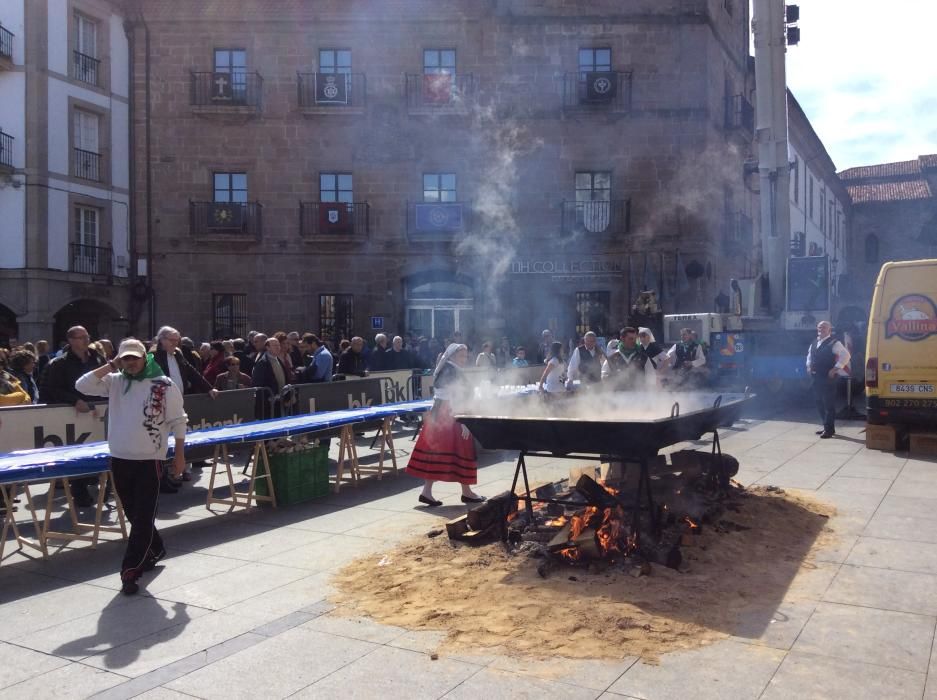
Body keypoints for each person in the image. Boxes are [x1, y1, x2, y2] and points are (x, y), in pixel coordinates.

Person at [75, 338, 187, 595]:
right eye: (126, 358)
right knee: (134, 514)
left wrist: (179, 454)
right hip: (121, 457)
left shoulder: (163, 385)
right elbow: (82, 385)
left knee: (144, 516)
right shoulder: (115, 381)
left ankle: (130, 570)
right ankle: (155, 548)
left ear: (144, 357)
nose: (131, 363)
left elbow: (179, 421)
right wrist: (111, 364)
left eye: (135, 357)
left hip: (150, 459)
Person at [406, 343, 483, 506]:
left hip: (442, 414)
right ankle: (466, 492)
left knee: (437, 452)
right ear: (453, 356)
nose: (465, 358)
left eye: (465, 355)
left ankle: (429, 492)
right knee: (460, 450)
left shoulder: (449, 367)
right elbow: (452, 396)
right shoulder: (451, 370)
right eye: (462, 355)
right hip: (450, 415)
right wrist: (462, 419)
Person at [40, 326, 107, 506]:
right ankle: (79, 492)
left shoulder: (97, 358)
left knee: (98, 450)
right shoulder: (59, 363)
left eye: (87, 336)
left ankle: (100, 486)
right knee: (76, 453)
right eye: (81, 337)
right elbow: (51, 389)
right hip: (73, 414)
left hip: (97, 412)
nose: (86, 340)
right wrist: (74, 400)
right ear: (71, 341)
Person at [806, 321, 851, 438]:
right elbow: (809, 356)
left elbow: (846, 355)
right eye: (819, 327)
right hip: (816, 377)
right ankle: (826, 426)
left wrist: (835, 369)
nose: (821, 329)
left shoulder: (834, 343)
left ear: (829, 330)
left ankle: (829, 430)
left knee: (828, 404)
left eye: (824, 327)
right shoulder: (814, 342)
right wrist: (808, 366)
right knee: (818, 402)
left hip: (827, 378)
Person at [251, 337, 290, 417]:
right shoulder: (262, 362)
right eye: (275, 345)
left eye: (278, 345)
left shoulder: (278, 359)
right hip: (269, 403)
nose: (278, 347)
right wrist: (268, 397)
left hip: (280, 400)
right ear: (267, 347)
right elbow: (258, 383)